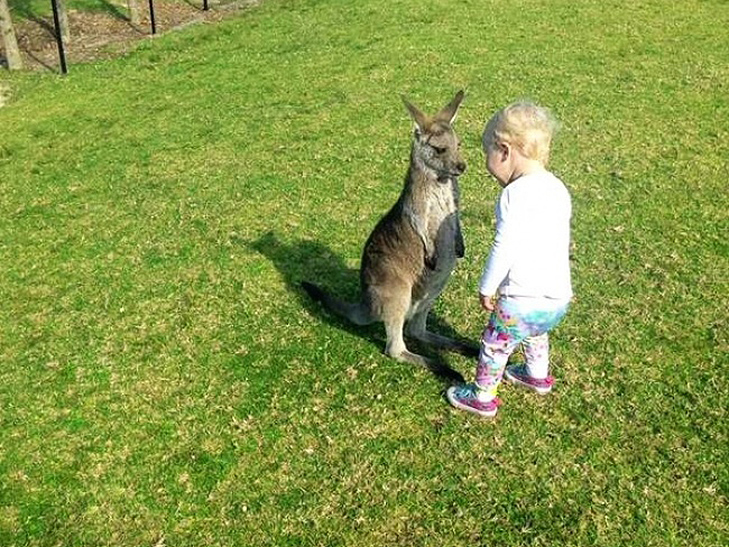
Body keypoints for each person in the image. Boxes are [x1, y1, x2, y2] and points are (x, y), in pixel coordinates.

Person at [446, 101, 573, 417]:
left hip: (519, 302)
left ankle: (482, 396)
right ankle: (537, 376)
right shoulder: (557, 188)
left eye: (487, 153)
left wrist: (487, 287)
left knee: (495, 344)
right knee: (535, 332)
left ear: (503, 150)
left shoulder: (514, 195)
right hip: (557, 300)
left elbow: (504, 246)